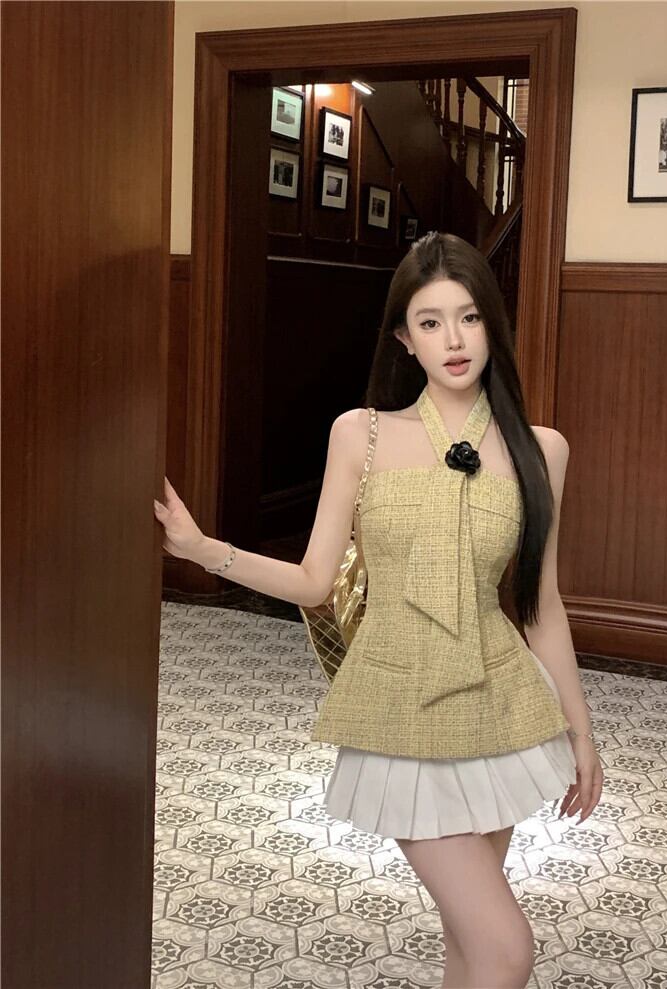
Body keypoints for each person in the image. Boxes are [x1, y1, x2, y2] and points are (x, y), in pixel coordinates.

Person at [154, 231, 605, 989]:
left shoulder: (542, 449)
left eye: (468, 317)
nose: (453, 340)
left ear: (492, 325)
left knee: (470, 943)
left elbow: (540, 604)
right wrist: (205, 550)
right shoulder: (359, 434)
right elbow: (313, 581)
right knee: (507, 948)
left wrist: (582, 732)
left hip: (502, 704)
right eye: (430, 322)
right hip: (397, 705)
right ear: (403, 337)